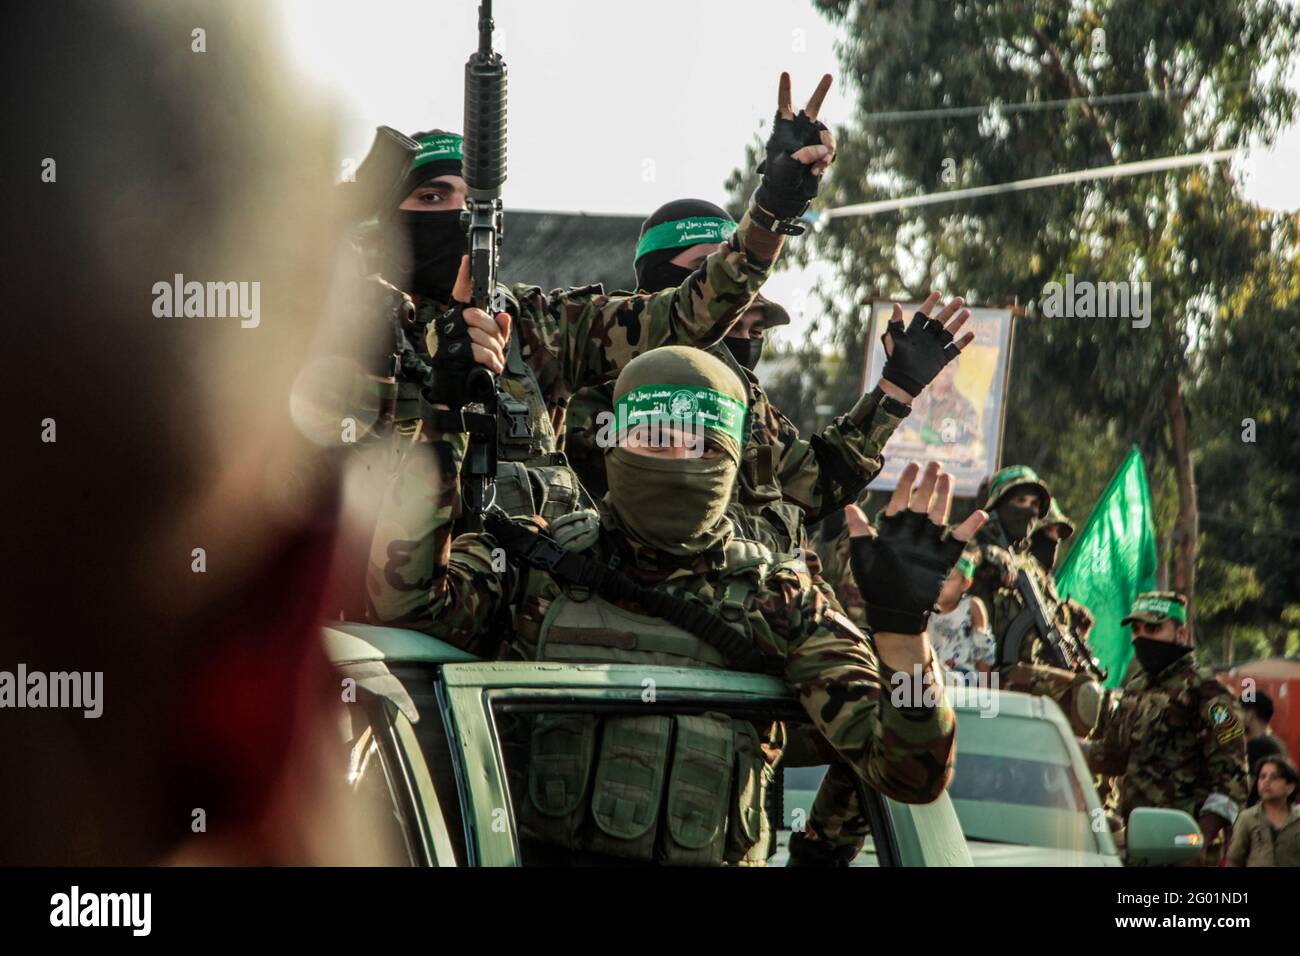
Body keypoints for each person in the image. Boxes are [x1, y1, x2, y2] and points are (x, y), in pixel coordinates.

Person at [368, 340, 984, 864]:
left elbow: (909, 772)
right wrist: (439, 429)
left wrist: (905, 638)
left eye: (698, 444)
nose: (671, 457)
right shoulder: (535, 565)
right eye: (651, 436)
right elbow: (405, 602)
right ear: (613, 445)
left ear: (734, 459)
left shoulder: (779, 598)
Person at [563, 198, 972, 556]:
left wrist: (895, 389)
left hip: (756, 609)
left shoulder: (747, 399)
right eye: (705, 269)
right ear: (658, 279)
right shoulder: (600, 377)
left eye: (753, 329)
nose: (737, 330)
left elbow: (812, 485)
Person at [1083, 591, 1249, 863]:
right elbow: (1112, 756)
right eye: (1137, 629)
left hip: (1183, 847)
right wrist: (1065, 749)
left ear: (1181, 634)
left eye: (1154, 628)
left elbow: (1233, 778)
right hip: (1135, 844)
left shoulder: (1207, 692)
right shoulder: (1135, 689)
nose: (1142, 637)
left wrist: (1199, 840)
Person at [927, 551, 995, 680]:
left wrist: (984, 692)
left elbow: (983, 651)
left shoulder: (972, 607)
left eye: (947, 579)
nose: (940, 583)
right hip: (931, 675)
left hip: (963, 679)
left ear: (965, 584)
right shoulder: (926, 609)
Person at [1226, 756, 1300, 867]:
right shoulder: (1247, 818)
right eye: (1262, 777)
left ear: (1289, 787)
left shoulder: (1298, 819)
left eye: (1274, 777)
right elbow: (1234, 860)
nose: (1266, 781)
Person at [1243, 688, 1288, 807]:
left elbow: (1246, 787)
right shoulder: (1277, 743)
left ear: (1250, 715)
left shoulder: (1256, 746)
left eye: (1240, 712)